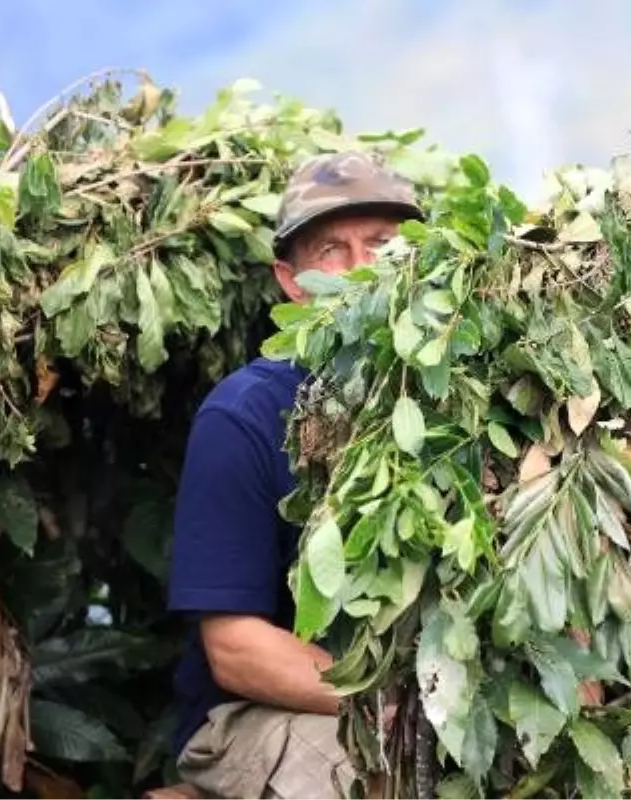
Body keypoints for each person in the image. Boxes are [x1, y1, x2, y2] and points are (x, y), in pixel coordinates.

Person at [166, 151, 424, 800]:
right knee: (368, 779)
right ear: (292, 281)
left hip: (416, 702)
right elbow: (235, 648)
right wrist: (395, 703)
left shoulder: (453, 393)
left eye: (383, 244)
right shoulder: (245, 416)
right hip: (256, 713)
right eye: (333, 250)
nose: (363, 268)